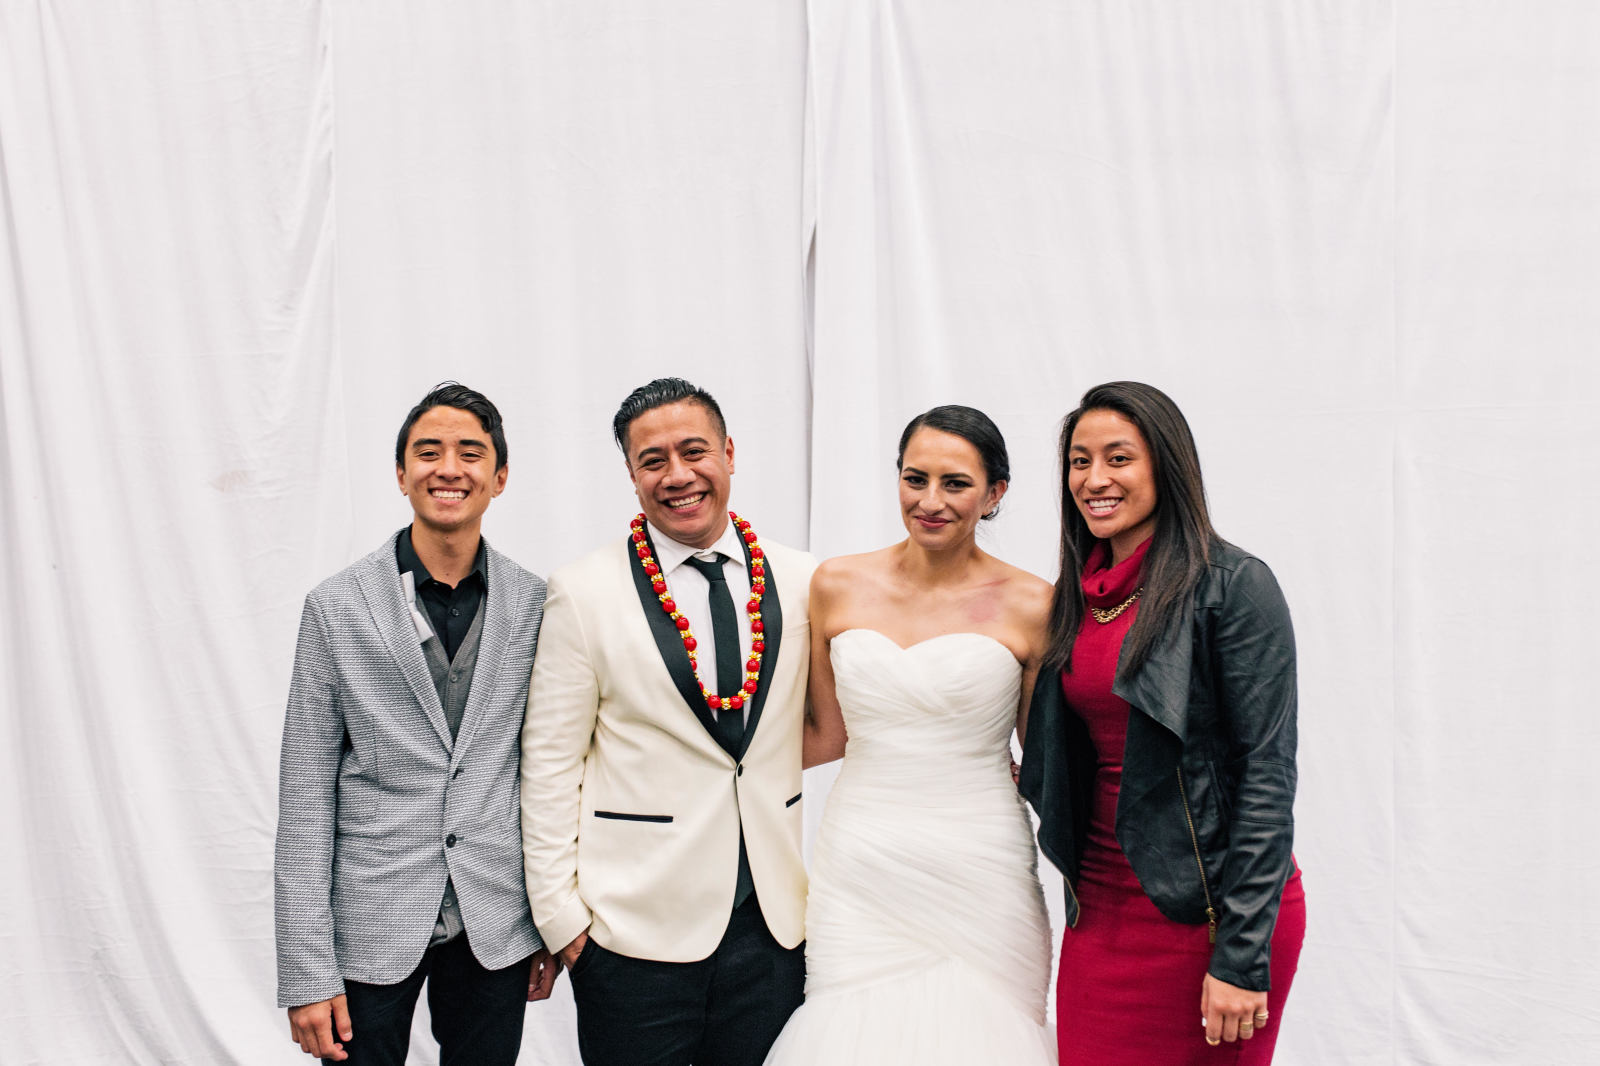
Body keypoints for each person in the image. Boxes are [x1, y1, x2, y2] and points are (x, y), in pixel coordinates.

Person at [519, 377, 816, 1066]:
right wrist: (563, 922)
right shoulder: (583, 592)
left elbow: (836, 718)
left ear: (729, 453)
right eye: (653, 461)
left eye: (694, 451)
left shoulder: (803, 579)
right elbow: (551, 763)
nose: (677, 475)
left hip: (772, 927)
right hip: (632, 935)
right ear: (631, 474)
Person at [1019, 381, 1307, 1063]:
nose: (1094, 480)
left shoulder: (1232, 585)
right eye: (1079, 461)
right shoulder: (1075, 597)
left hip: (1207, 915)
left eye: (1118, 458)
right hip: (1098, 910)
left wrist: (1241, 954)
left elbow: (1266, 776)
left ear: (1166, 465)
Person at [763, 405, 1057, 1065]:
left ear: (995, 493)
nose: (930, 501)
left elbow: (1046, 758)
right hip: (861, 863)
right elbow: (825, 735)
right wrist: (694, 767)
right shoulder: (836, 584)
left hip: (983, 865)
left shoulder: (1034, 603)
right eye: (915, 478)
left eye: (955, 483)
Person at [274, 382, 559, 1064]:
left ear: (500, 477)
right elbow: (304, 796)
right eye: (428, 453)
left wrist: (546, 921)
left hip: (495, 922)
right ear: (401, 475)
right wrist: (306, 971)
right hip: (370, 923)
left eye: (470, 453)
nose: (448, 468)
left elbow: (547, 771)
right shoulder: (336, 607)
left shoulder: (539, 604)